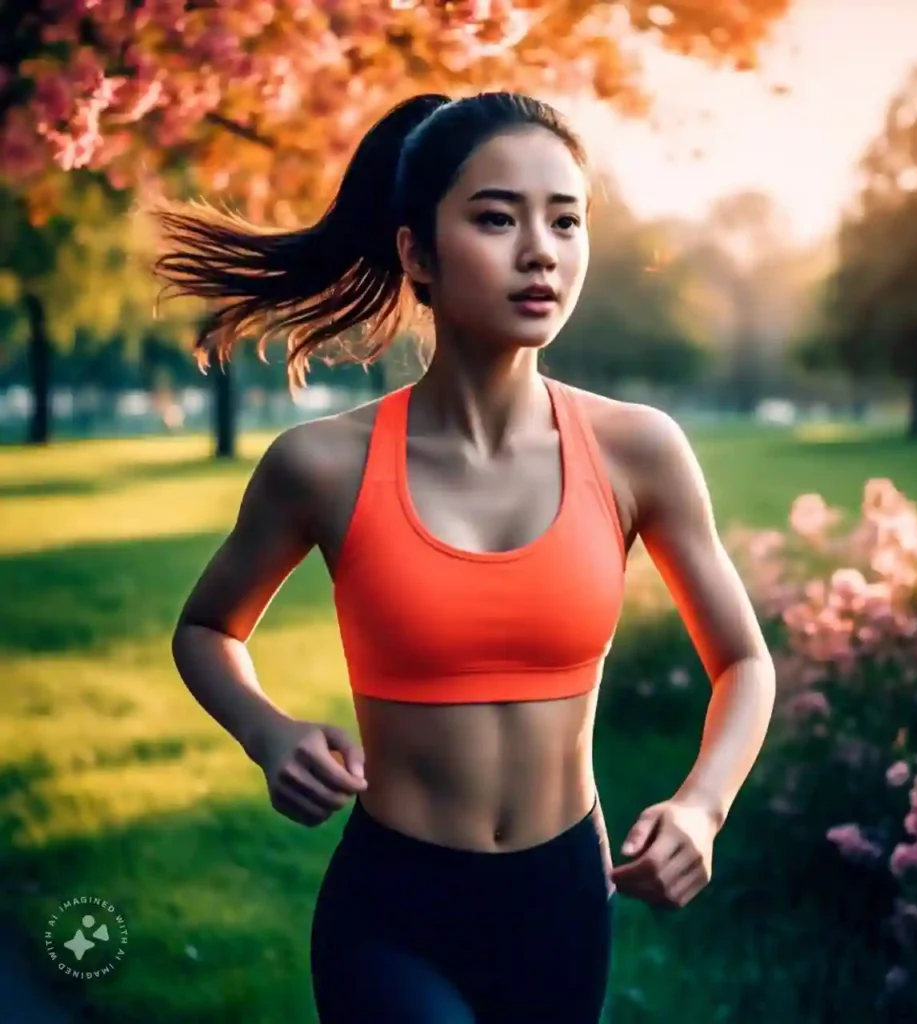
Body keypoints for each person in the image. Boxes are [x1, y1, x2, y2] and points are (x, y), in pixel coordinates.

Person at [156, 91, 776, 1024]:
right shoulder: (323, 465)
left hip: (565, 901)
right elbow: (208, 629)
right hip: (393, 911)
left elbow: (744, 662)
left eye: (566, 221)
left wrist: (703, 807)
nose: (541, 251)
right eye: (497, 218)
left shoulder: (638, 450)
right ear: (418, 253)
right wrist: (268, 732)